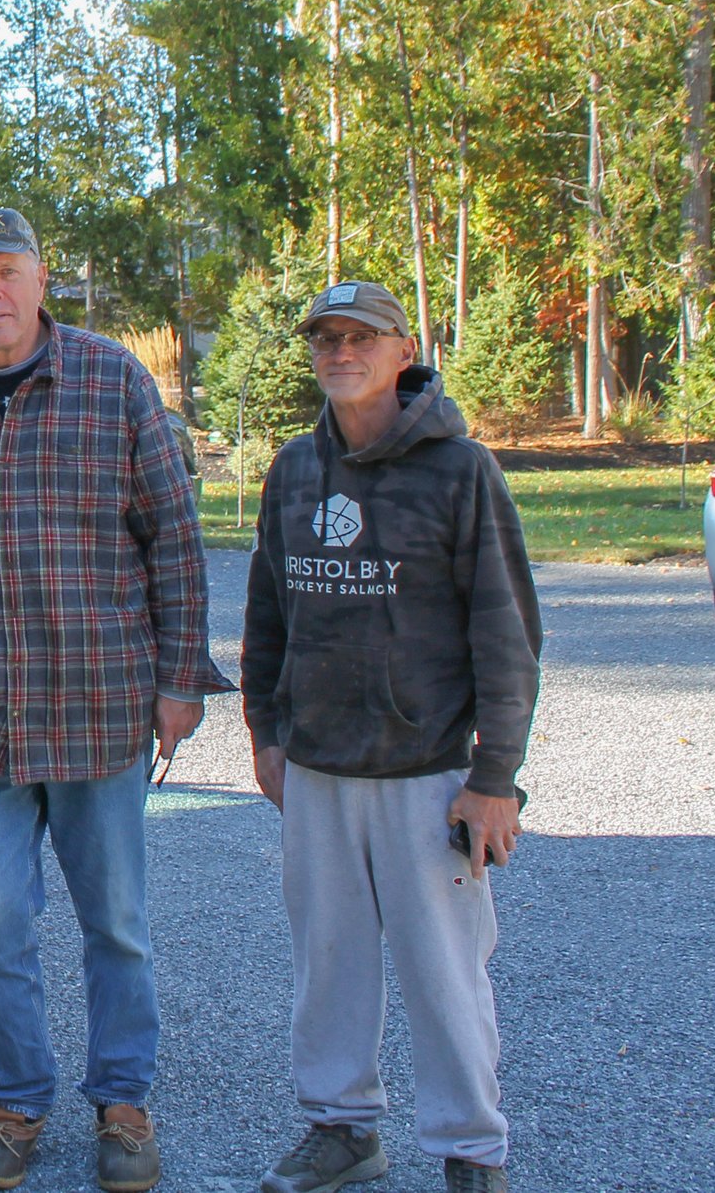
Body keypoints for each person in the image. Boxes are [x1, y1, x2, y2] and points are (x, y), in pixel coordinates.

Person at [0, 206, 227, 1193]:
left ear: (41, 279)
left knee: (116, 922)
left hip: (101, 704)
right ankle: (14, 1103)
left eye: (8, 271)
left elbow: (172, 533)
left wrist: (180, 678)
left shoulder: (112, 379)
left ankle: (123, 1104)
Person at [242, 281, 542, 1193]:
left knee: (446, 976)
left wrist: (494, 777)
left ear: (403, 351)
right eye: (326, 337)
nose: (341, 351)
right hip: (319, 768)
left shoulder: (460, 471)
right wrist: (266, 731)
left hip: (428, 773)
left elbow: (506, 632)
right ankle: (342, 1128)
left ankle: (472, 1149)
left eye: (361, 336)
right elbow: (268, 613)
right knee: (328, 969)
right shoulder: (295, 470)